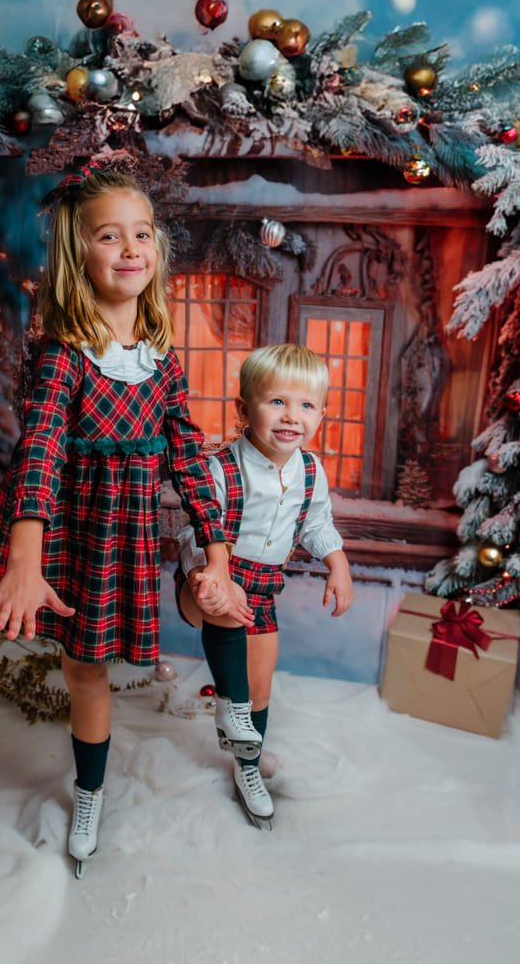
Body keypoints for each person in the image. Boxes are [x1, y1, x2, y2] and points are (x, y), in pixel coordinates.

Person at [0, 166, 252, 876]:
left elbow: (188, 454)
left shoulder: (161, 361)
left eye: (141, 234)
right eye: (110, 236)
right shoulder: (63, 352)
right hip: (41, 521)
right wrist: (23, 560)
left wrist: (215, 547)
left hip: (112, 535)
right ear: (81, 254)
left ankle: (89, 790)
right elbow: (38, 449)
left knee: (86, 668)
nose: (130, 248)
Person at [176, 343, 354, 830]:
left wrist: (336, 562)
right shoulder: (223, 467)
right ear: (243, 409)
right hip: (210, 575)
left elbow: (317, 524)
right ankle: (229, 709)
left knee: (260, 681)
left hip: (264, 584)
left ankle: (246, 766)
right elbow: (195, 527)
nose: (291, 416)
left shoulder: (310, 472)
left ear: (321, 413)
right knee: (223, 604)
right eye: (276, 402)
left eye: (306, 405)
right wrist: (206, 571)